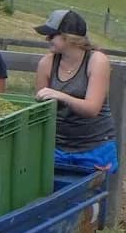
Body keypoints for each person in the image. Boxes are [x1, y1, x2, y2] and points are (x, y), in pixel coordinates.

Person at [34, 10, 118, 173]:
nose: (47, 39)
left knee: (91, 197)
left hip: (94, 147)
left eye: (52, 35)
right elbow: (40, 110)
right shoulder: (46, 63)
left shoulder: (97, 61)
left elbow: (92, 109)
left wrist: (60, 96)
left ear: (68, 38)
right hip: (57, 147)